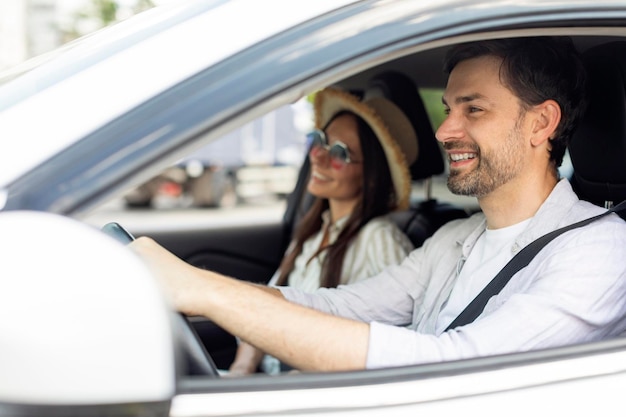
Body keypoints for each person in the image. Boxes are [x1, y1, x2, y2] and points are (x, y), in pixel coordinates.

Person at [130, 36, 626, 371]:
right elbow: (343, 305)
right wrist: (206, 290)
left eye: (473, 109)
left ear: (541, 124)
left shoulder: (600, 250)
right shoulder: (454, 239)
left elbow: (450, 366)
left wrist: (202, 292)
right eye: (449, 108)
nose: (444, 130)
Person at [227, 87, 416, 375]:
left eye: (340, 153)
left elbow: (386, 345)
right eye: (320, 141)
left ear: (372, 174)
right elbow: (266, 307)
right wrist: (242, 369)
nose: (317, 156)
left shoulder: (380, 239)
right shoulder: (312, 231)